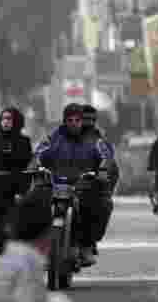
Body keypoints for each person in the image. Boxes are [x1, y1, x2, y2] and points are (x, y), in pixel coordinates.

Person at [35, 104, 106, 267]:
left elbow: (105, 156)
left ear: (82, 122)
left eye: (77, 120)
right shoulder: (54, 137)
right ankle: (40, 248)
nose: (74, 123)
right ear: (64, 121)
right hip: (56, 184)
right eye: (70, 120)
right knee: (34, 203)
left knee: (95, 205)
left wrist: (102, 169)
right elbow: (39, 152)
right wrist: (35, 165)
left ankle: (86, 246)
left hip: (83, 185)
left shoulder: (93, 139)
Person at [0, 107, 33, 253]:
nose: (6, 122)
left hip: (16, 188)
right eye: (3, 118)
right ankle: (2, 248)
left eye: (9, 118)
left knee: (13, 222)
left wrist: (23, 190)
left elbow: (27, 168)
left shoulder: (24, 141)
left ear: (16, 121)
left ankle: (11, 251)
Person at [80, 104, 120, 253]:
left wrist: (104, 179)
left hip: (89, 187)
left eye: (91, 119)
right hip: (63, 186)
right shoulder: (62, 137)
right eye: (84, 119)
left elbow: (110, 164)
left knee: (103, 204)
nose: (87, 122)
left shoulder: (100, 142)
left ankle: (89, 242)